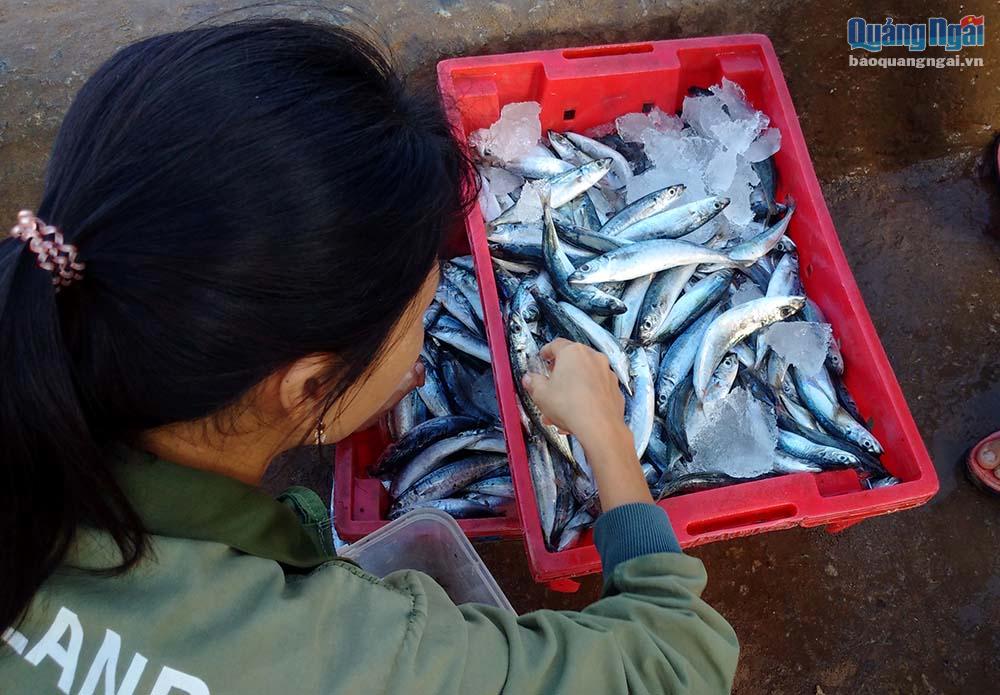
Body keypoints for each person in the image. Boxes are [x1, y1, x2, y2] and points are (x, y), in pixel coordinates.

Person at [0, 18, 738, 694]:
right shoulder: (342, 654)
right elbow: (675, 661)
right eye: (421, 314)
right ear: (309, 386)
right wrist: (604, 429)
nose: (425, 328)